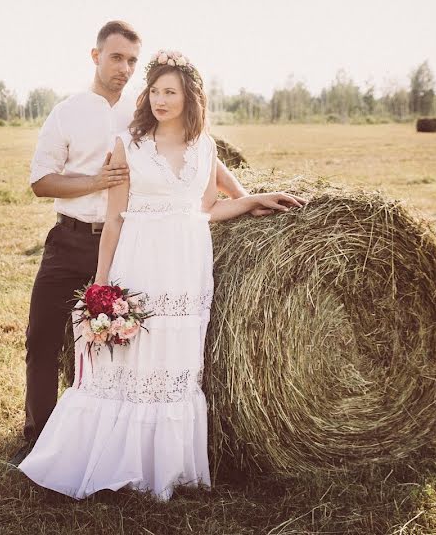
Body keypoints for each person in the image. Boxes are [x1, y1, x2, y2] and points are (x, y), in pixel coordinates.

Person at [17, 50, 307, 500]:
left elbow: (207, 210)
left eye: (169, 91)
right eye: (154, 90)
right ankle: (112, 461)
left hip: (186, 267)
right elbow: (114, 220)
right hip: (140, 258)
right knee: (130, 361)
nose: (159, 99)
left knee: (173, 362)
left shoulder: (205, 147)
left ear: (190, 97)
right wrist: (100, 285)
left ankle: (162, 469)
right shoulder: (127, 144)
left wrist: (253, 200)